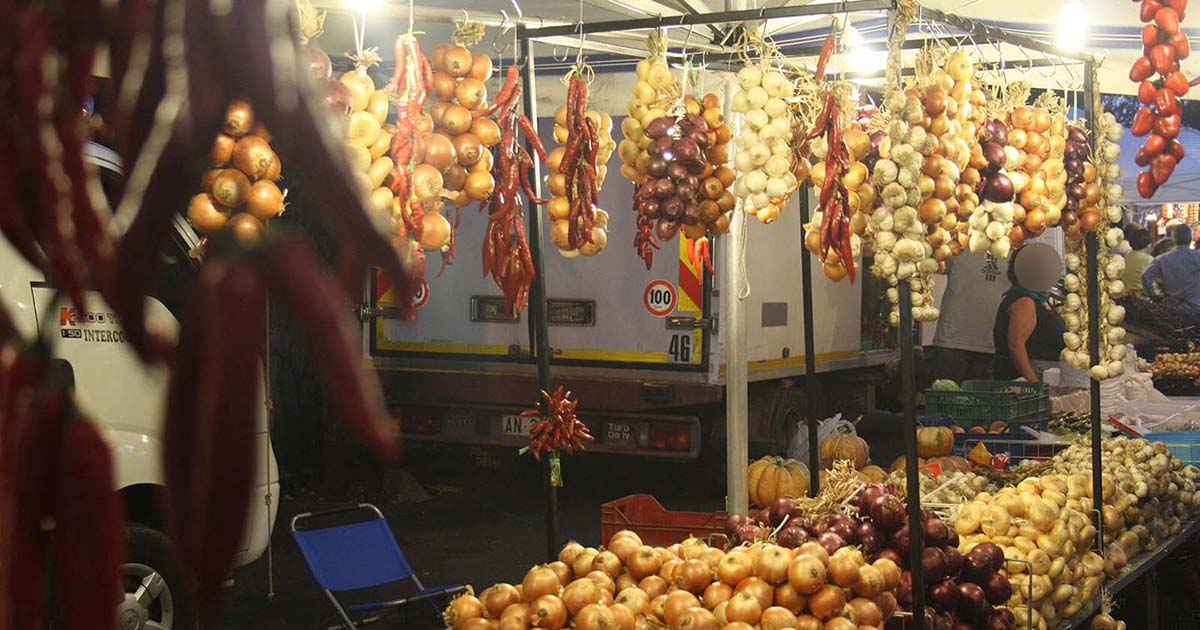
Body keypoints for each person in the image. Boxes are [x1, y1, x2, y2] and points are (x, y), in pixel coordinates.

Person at [931, 251, 1009, 382]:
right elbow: (935, 261)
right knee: (946, 398)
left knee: (981, 400)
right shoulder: (960, 245)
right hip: (952, 341)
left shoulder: (1013, 250)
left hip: (990, 344)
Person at [993, 243, 1067, 382]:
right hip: (1031, 378)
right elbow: (1016, 346)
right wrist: (1035, 385)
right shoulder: (1024, 302)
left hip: (1047, 373)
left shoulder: (1038, 298)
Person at [1143, 223, 1200, 316]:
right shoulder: (1197, 256)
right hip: (1195, 307)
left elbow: (1146, 276)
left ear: (1173, 239)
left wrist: (1156, 296)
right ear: (1191, 238)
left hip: (1171, 307)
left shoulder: (1162, 259)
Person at [1123, 227, 1154, 296]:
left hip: (1127, 296)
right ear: (1149, 244)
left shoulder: (1127, 256)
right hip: (1144, 298)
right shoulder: (1149, 259)